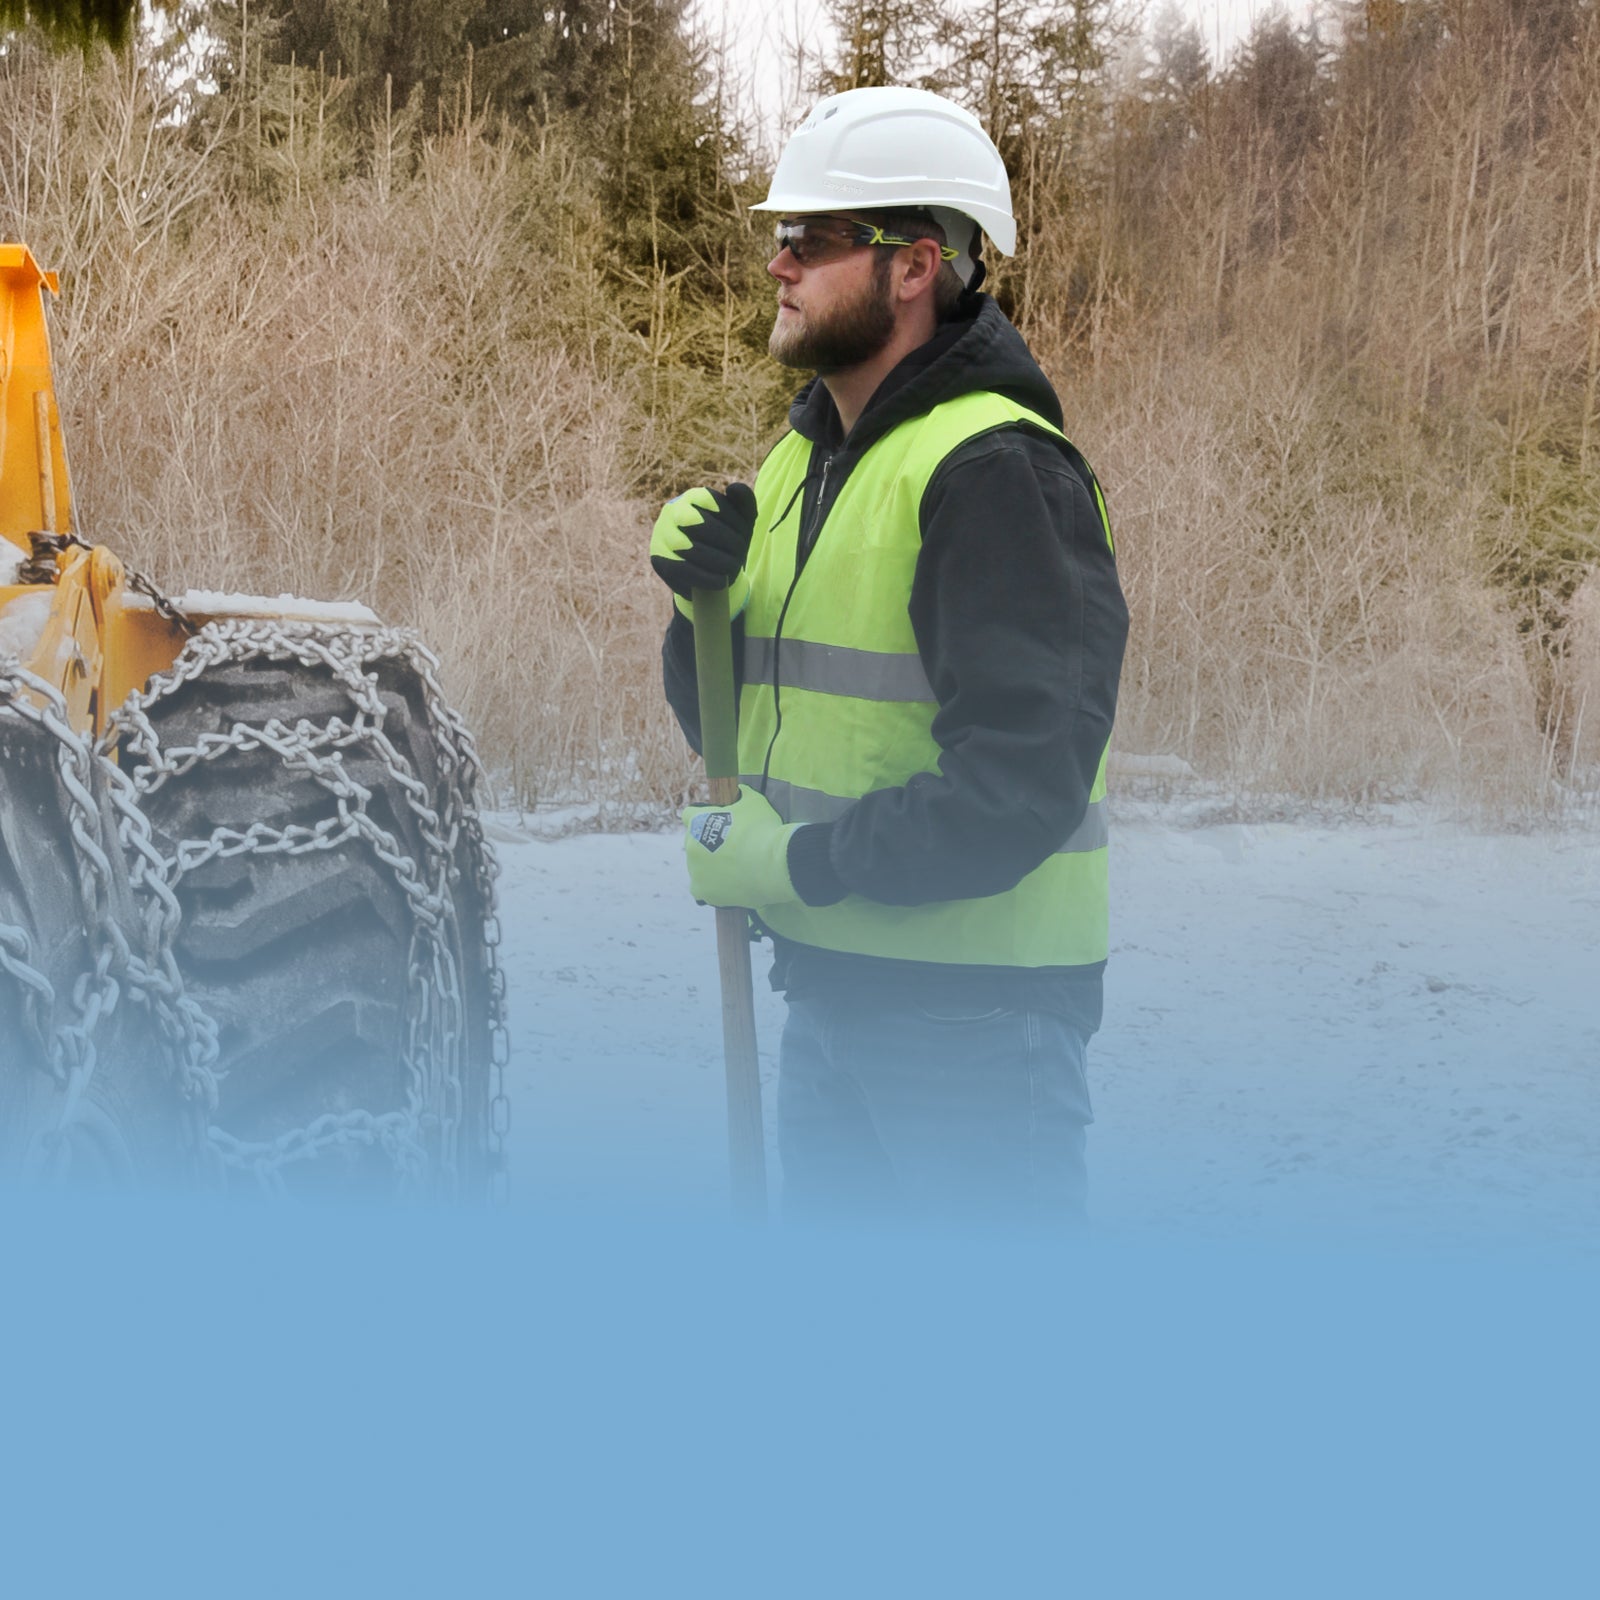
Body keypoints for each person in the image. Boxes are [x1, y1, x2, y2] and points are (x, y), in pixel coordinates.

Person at [650, 86, 1128, 1226]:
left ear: (913, 267)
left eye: (810, 241)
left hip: (974, 1031)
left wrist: (797, 866)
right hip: (835, 998)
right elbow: (746, 718)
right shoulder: (802, 461)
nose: (779, 264)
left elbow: (1018, 787)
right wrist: (698, 613)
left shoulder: (997, 472)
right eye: (779, 239)